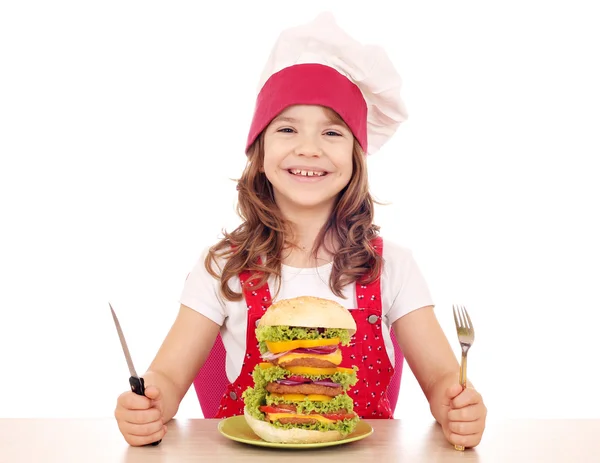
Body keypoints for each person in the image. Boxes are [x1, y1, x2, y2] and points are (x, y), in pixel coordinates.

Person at [114, 12, 487, 449]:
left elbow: (443, 378)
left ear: (355, 157)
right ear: (260, 148)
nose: (308, 147)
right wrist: (148, 405)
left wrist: (456, 407)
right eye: (287, 128)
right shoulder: (222, 266)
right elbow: (168, 377)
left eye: (332, 132)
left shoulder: (391, 267)